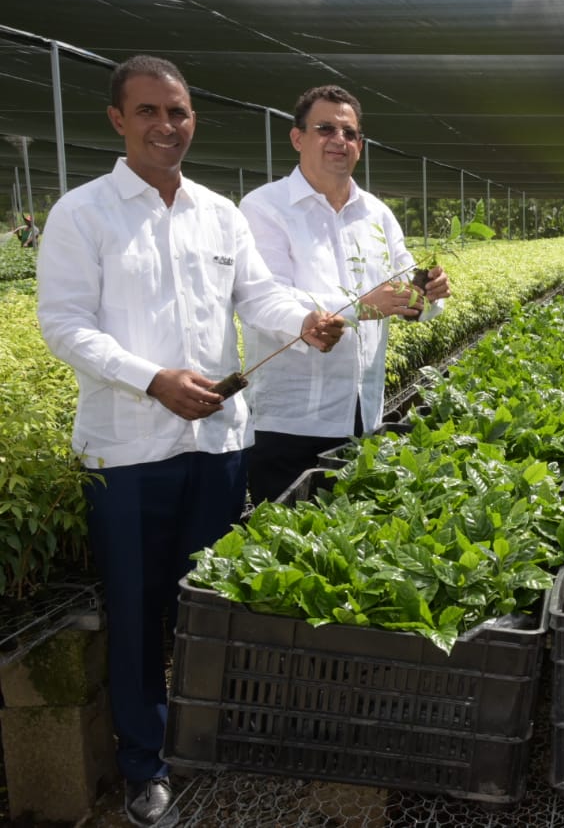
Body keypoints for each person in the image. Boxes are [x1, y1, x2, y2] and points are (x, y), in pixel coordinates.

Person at [36, 55, 345, 827]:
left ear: (191, 119)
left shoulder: (218, 212)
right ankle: (145, 766)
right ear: (117, 119)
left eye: (176, 112)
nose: (165, 127)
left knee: (210, 606)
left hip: (217, 444)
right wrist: (151, 378)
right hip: (129, 452)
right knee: (138, 614)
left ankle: (214, 736)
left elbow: (257, 293)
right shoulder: (85, 212)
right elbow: (64, 324)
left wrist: (303, 318)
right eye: (147, 112)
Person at [239, 84, 451, 504]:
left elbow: (406, 286)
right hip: (290, 420)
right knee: (285, 547)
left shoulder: (376, 213)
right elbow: (266, 298)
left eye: (350, 133)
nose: (340, 140)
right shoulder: (264, 208)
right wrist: (357, 308)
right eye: (325, 129)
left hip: (362, 412)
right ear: (298, 138)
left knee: (349, 546)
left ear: (361, 145)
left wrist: (427, 296)